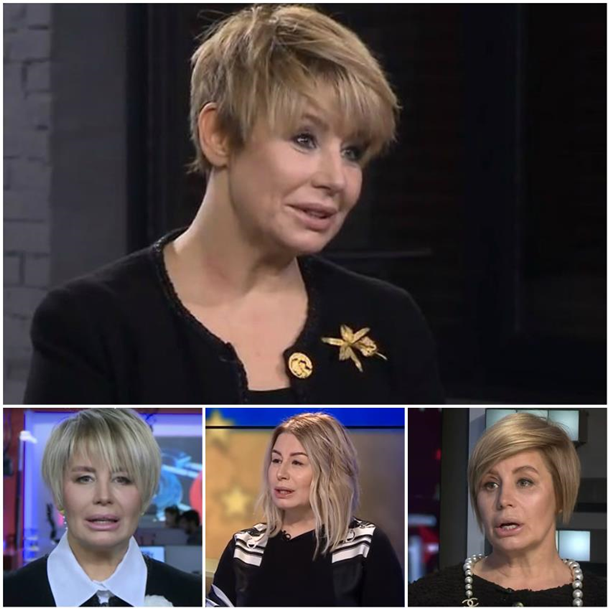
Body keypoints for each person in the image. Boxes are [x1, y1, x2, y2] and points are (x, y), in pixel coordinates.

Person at [24, 4, 443, 405]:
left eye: (352, 152)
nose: (336, 179)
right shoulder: (90, 324)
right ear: (219, 135)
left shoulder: (390, 320)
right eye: (304, 139)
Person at [3, 409, 202, 607]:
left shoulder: (194, 595)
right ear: (58, 494)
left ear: (145, 496)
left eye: (122, 479)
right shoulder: (8, 595)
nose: (103, 496)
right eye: (85, 478)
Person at [408, 413, 607, 606]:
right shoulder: (424, 598)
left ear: (561, 494)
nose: (503, 500)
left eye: (524, 482)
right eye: (490, 484)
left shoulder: (601, 598)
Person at [207, 412, 404, 606]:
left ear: (329, 473)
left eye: (297, 462)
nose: (281, 473)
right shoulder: (244, 548)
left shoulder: (364, 545)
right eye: (276, 460)